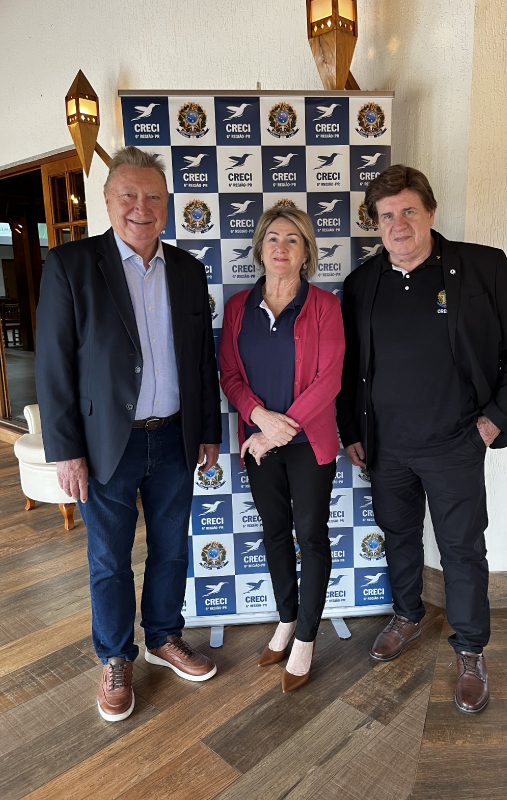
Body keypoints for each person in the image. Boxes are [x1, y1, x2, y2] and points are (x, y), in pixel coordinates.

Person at [337, 164, 507, 714]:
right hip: (386, 447)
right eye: (386, 216)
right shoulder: (361, 284)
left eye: (408, 211)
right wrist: (351, 431)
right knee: (398, 535)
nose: (398, 224)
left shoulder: (483, 266)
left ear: (429, 212)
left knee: (462, 549)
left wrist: (494, 420)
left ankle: (470, 649)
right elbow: (348, 368)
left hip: (456, 443)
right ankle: (407, 614)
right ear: (376, 224)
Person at [35, 146, 222, 722]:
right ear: (108, 200)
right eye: (129, 196)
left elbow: (202, 360)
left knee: (172, 548)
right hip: (104, 445)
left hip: (175, 439)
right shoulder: (70, 265)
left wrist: (208, 431)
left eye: (153, 197)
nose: (142, 207)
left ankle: (164, 637)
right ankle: (116, 657)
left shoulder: (187, 269)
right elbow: (53, 366)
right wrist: (66, 451)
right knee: (110, 559)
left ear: (167, 205)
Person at [219, 205, 344, 693]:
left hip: (309, 443)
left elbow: (329, 379)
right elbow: (230, 375)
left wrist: (274, 431)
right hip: (259, 442)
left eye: (293, 239)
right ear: (260, 248)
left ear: (306, 252)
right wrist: (260, 418)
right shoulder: (238, 308)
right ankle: (287, 620)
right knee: (274, 533)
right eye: (273, 238)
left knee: (310, 536)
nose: (281, 247)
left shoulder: (325, 306)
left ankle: (307, 637)